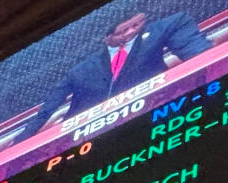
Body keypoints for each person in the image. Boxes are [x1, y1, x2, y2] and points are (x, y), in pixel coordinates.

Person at [20, 10, 212, 137]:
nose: (131, 32)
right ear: (107, 39)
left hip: (152, 119)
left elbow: (198, 51)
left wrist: (208, 62)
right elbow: (46, 111)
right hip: (89, 137)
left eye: (136, 25)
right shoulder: (79, 71)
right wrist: (21, 142)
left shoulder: (161, 30)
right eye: (123, 31)